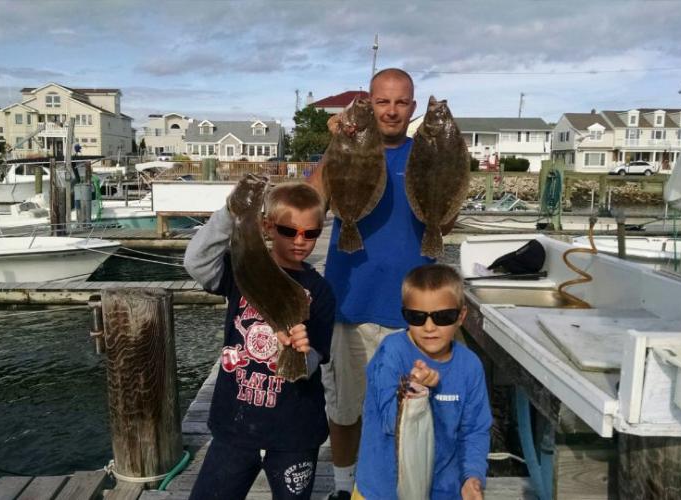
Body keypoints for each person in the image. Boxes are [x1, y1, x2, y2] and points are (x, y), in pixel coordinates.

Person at [308, 68, 454, 499]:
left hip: (413, 310)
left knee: (406, 410)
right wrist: (338, 145)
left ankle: (395, 487)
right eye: (382, 101)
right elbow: (311, 204)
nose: (392, 110)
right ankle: (341, 487)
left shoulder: (427, 152)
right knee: (346, 408)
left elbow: (448, 218)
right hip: (350, 301)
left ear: (412, 107)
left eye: (401, 102)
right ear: (369, 104)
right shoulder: (348, 147)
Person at [184, 179, 336, 500]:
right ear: (267, 226)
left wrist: (299, 350)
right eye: (288, 231)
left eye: (311, 234)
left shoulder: (320, 291)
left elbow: (315, 360)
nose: (300, 241)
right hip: (235, 428)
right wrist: (231, 211)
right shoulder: (242, 270)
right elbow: (195, 262)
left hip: (295, 433)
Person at [354, 263, 491, 500]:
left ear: (461, 317)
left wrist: (472, 477)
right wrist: (410, 389)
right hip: (380, 491)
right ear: (404, 315)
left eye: (443, 317)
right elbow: (389, 421)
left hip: (445, 491)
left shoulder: (470, 366)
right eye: (417, 317)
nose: (429, 327)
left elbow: (475, 431)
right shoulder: (391, 353)